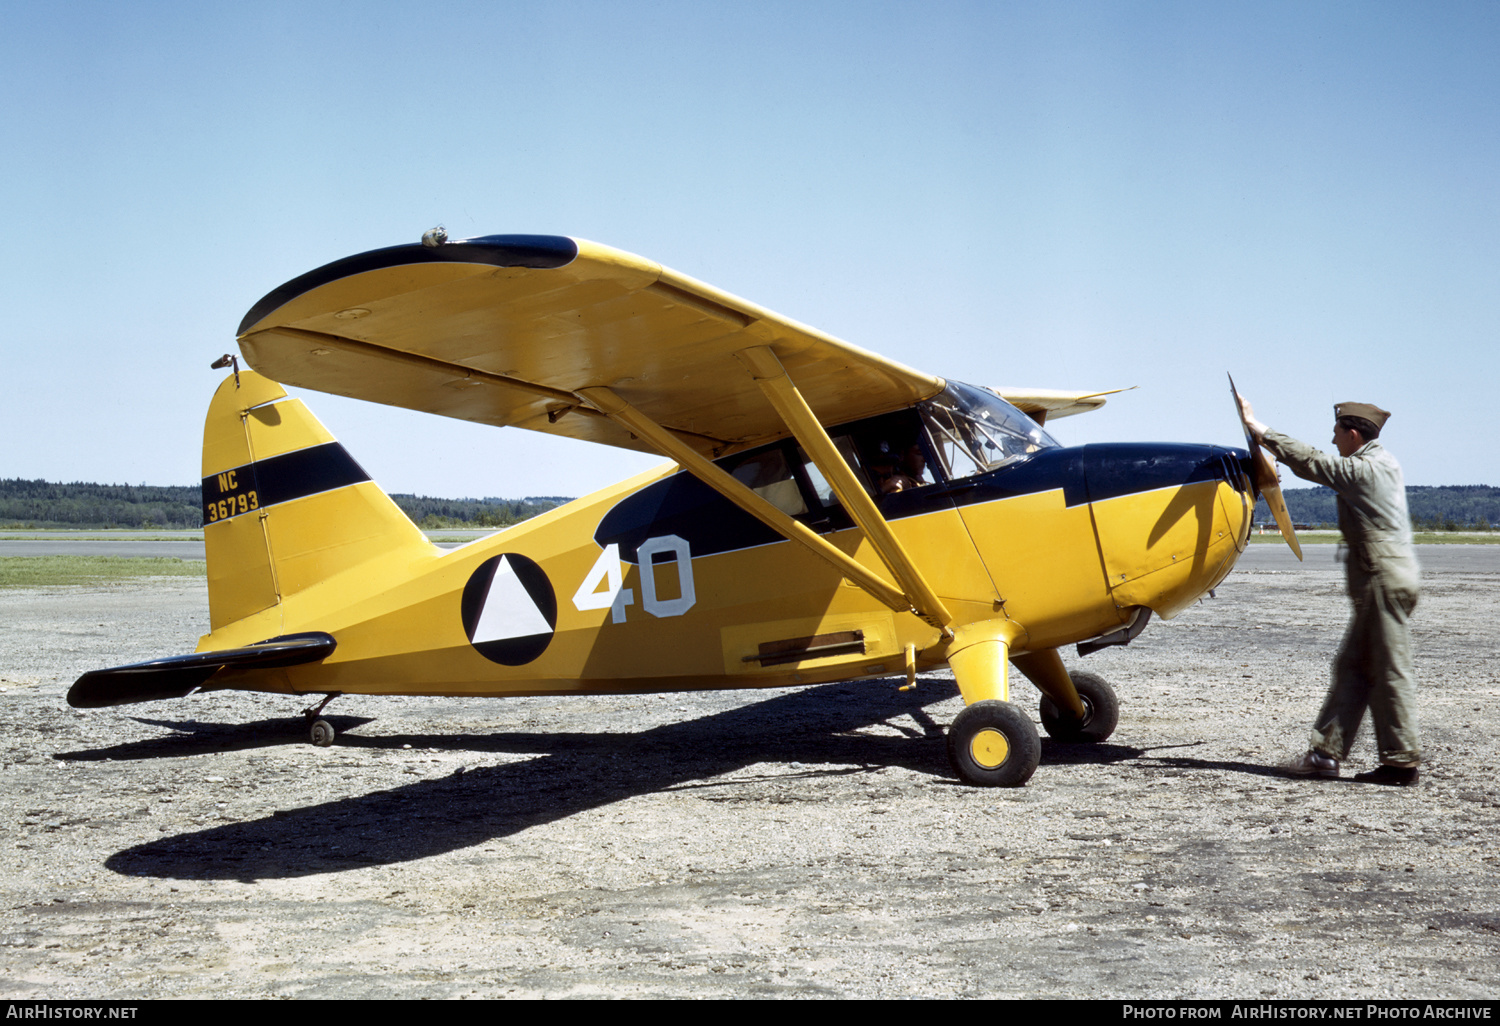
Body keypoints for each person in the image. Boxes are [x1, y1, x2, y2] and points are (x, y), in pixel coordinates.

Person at [1238, 395, 1422, 786]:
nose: (1333, 438)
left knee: (1388, 668)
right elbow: (1323, 461)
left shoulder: (1365, 469)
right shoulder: (1384, 462)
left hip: (1380, 580)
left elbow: (1314, 463)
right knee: (1354, 668)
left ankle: (1401, 761)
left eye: (1337, 432)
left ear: (1353, 434)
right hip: (1389, 577)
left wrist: (1261, 431)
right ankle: (1325, 755)